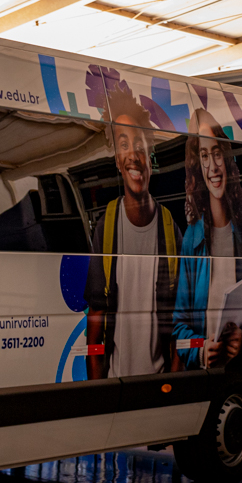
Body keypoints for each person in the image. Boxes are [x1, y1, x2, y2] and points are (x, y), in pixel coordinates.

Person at [84, 67, 180, 379]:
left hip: (160, 382)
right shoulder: (106, 227)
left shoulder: (170, 229)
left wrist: (173, 381)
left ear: (150, 155)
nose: (133, 155)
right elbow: (95, 318)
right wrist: (98, 389)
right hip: (117, 383)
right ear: (117, 160)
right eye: (123, 144)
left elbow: (181, 316)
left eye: (139, 144)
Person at [171, 109, 242, 369]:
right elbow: (178, 325)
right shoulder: (191, 238)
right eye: (204, 156)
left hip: (237, 370)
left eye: (217, 153)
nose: (212, 166)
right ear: (198, 167)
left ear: (226, 158)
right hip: (203, 375)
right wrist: (200, 350)